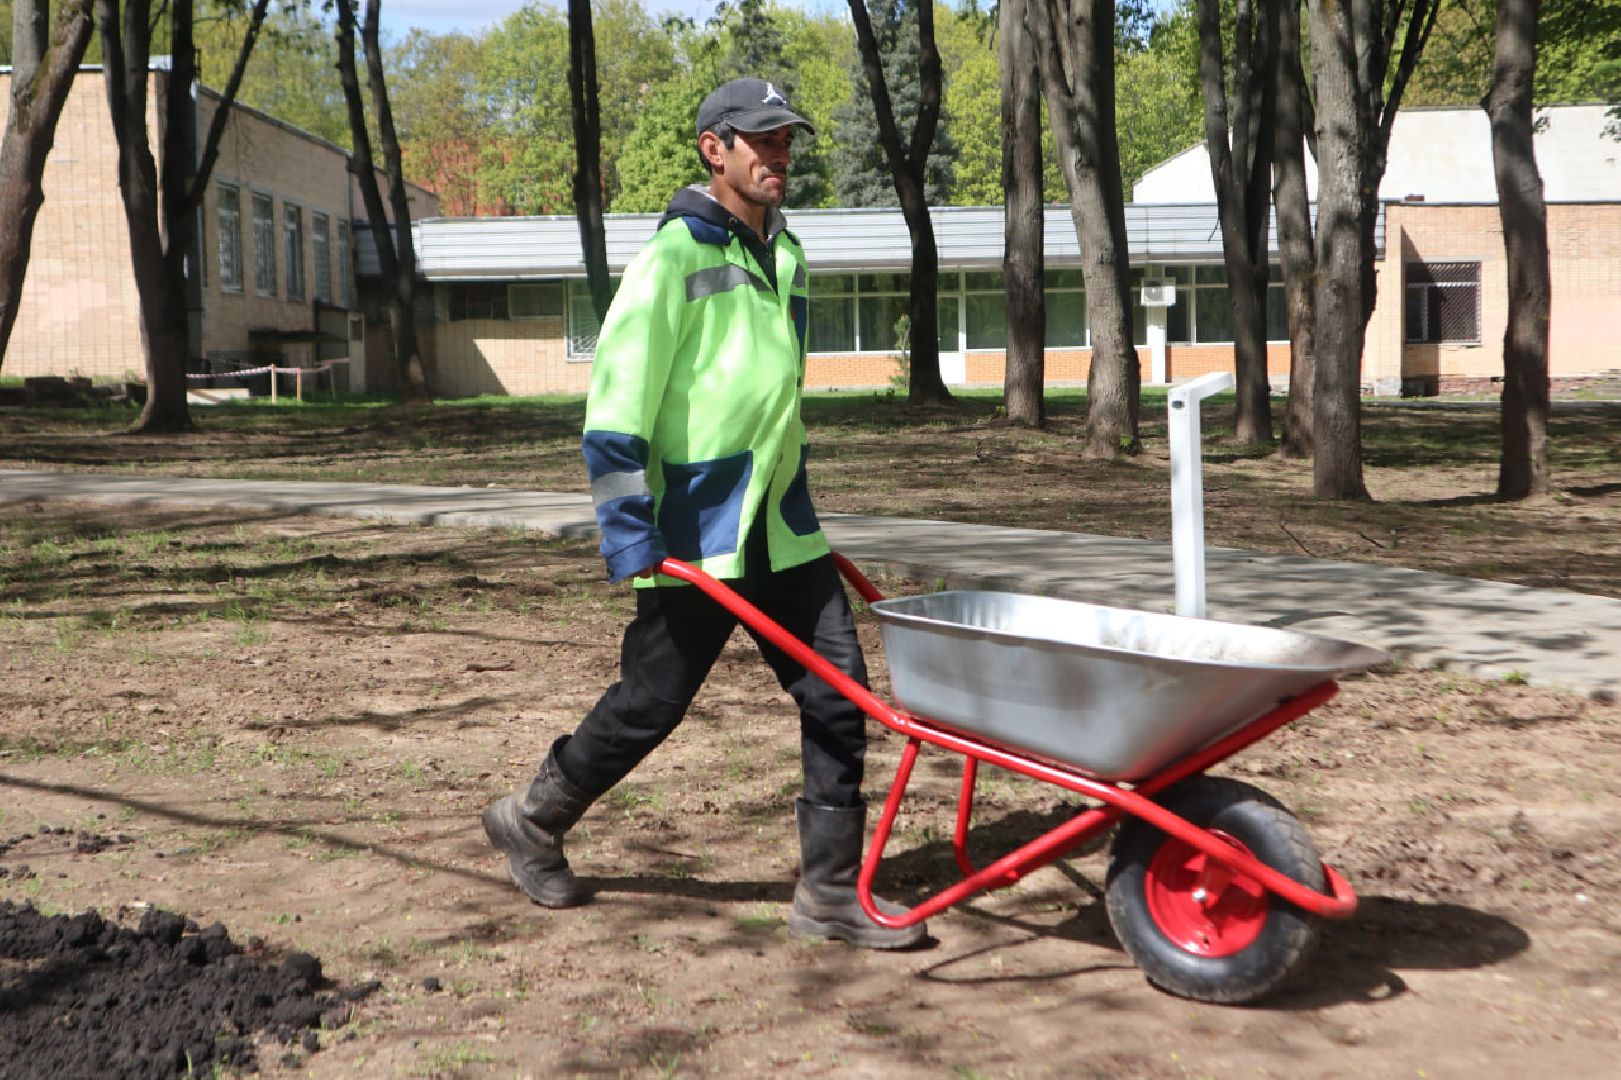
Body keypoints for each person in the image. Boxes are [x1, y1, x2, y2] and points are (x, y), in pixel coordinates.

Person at [481, 77, 926, 950]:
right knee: (651, 704)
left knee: (838, 698)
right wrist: (631, 536)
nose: (779, 154)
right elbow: (614, 410)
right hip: (695, 534)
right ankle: (532, 818)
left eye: (786, 138)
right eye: (760, 140)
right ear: (713, 149)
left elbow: (768, 398)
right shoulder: (672, 258)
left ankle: (830, 892)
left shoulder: (788, 256)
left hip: (782, 529)